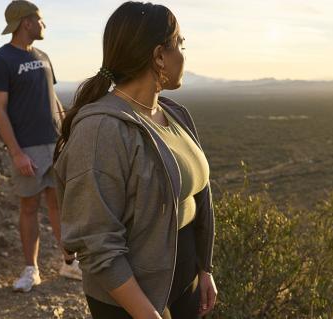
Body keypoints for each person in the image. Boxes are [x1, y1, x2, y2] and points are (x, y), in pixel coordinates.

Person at [53, 2, 217, 319]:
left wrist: (204, 269)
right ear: (159, 56)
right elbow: (98, 243)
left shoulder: (175, 114)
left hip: (185, 284)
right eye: (180, 45)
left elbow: (199, 195)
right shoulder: (102, 129)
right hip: (132, 302)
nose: (184, 54)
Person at [0, 0, 82, 293]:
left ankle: (69, 262)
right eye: (40, 20)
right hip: (27, 147)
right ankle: (31, 270)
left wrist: (68, 132)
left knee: (58, 204)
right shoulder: (1, 60)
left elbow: (52, 98)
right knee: (29, 206)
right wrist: (17, 153)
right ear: (26, 23)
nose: (44, 25)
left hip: (55, 143)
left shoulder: (43, 56)